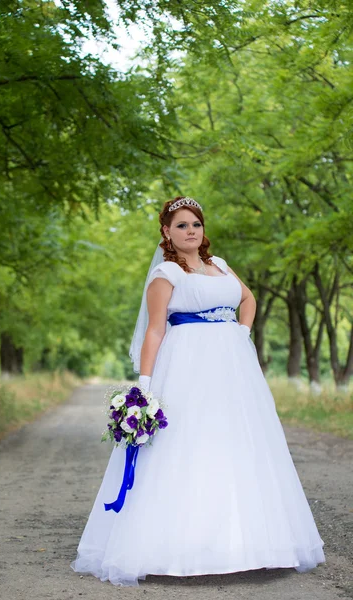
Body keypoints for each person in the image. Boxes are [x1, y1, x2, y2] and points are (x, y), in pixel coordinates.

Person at [70, 196, 326, 587]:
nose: (191, 231)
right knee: (188, 443)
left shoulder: (220, 266)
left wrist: (241, 332)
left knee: (241, 440)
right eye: (182, 225)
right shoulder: (166, 276)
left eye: (196, 224)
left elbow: (247, 298)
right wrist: (144, 386)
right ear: (167, 233)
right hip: (188, 363)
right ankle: (176, 547)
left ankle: (253, 545)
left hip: (234, 367)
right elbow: (156, 330)